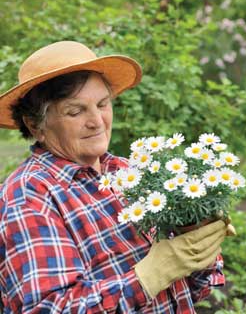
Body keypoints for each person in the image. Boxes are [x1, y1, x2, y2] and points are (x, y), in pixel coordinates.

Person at [0, 41, 231, 313]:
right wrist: (147, 277)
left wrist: (197, 250)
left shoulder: (129, 172)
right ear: (35, 124)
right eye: (76, 111)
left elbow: (187, 293)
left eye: (102, 104)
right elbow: (49, 308)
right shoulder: (29, 196)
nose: (97, 121)